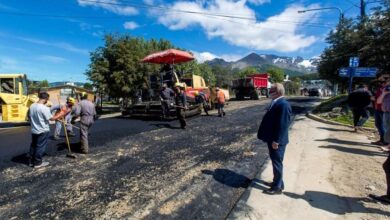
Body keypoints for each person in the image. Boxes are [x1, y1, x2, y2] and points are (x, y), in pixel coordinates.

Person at [257, 83, 292, 195]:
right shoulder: (276, 102)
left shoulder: (283, 105)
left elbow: (283, 125)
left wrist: (276, 141)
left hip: (277, 141)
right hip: (272, 139)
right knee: (276, 162)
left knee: (277, 163)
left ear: (278, 92)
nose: (269, 92)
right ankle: (278, 183)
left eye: (271, 90)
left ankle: (277, 188)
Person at [28, 92, 62, 168]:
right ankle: (37, 163)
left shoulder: (32, 106)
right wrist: (61, 114)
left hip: (34, 130)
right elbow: (52, 118)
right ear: (46, 99)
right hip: (43, 130)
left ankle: (31, 161)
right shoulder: (44, 108)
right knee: (40, 147)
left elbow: (29, 116)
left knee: (33, 146)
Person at [372, 75, 390, 145]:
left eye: (385, 81)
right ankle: (383, 140)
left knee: (386, 128)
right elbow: (378, 100)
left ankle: (385, 142)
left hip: (384, 111)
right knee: (379, 125)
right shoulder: (382, 90)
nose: (383, 83)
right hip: (380, 109)